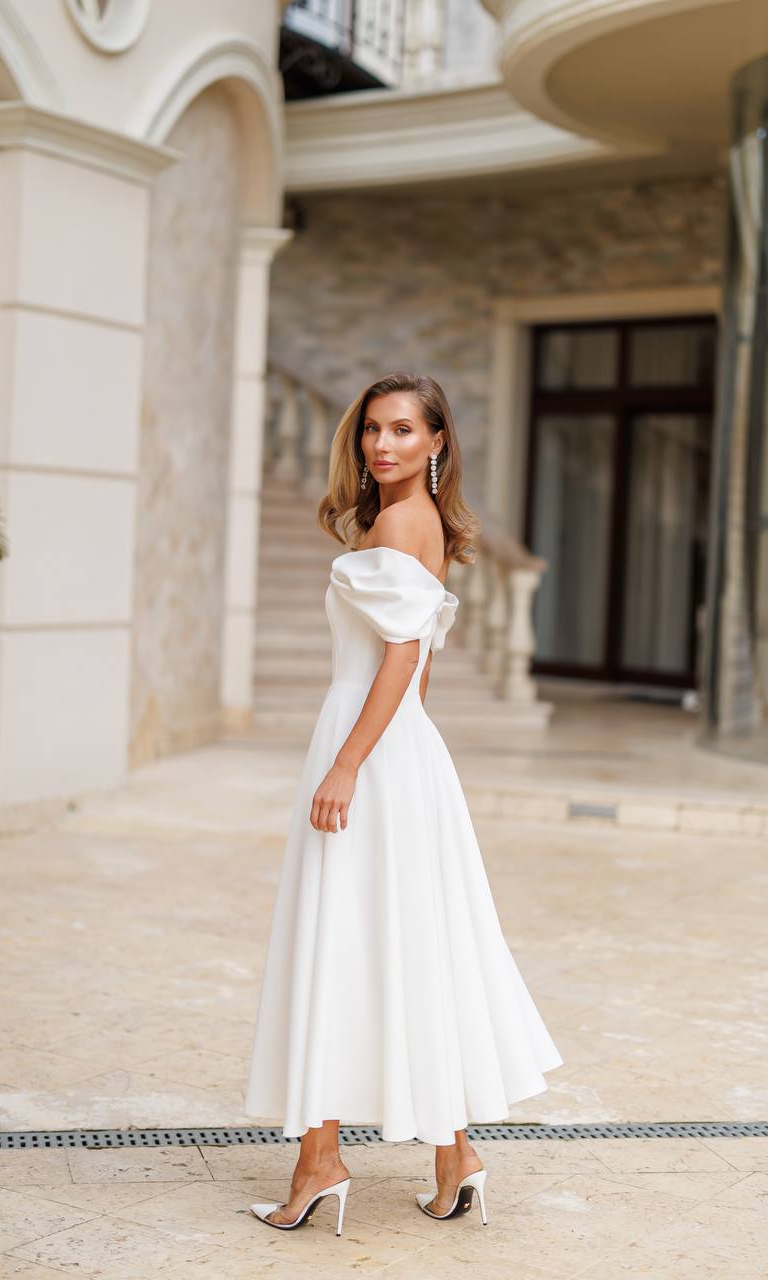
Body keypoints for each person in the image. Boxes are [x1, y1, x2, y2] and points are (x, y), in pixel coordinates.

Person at [243, 371, 563, 1235]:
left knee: (341, 939)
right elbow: (419, 668)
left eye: (401, 431)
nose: (380, 445)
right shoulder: (423, 527)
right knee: (407, 942)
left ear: (435, 444)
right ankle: (454, 1156)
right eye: (371, 432)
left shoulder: (397, 522)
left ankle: (319, 1162)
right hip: (404, 751)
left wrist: (347, 764)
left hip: (371, 749)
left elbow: (394, 660)